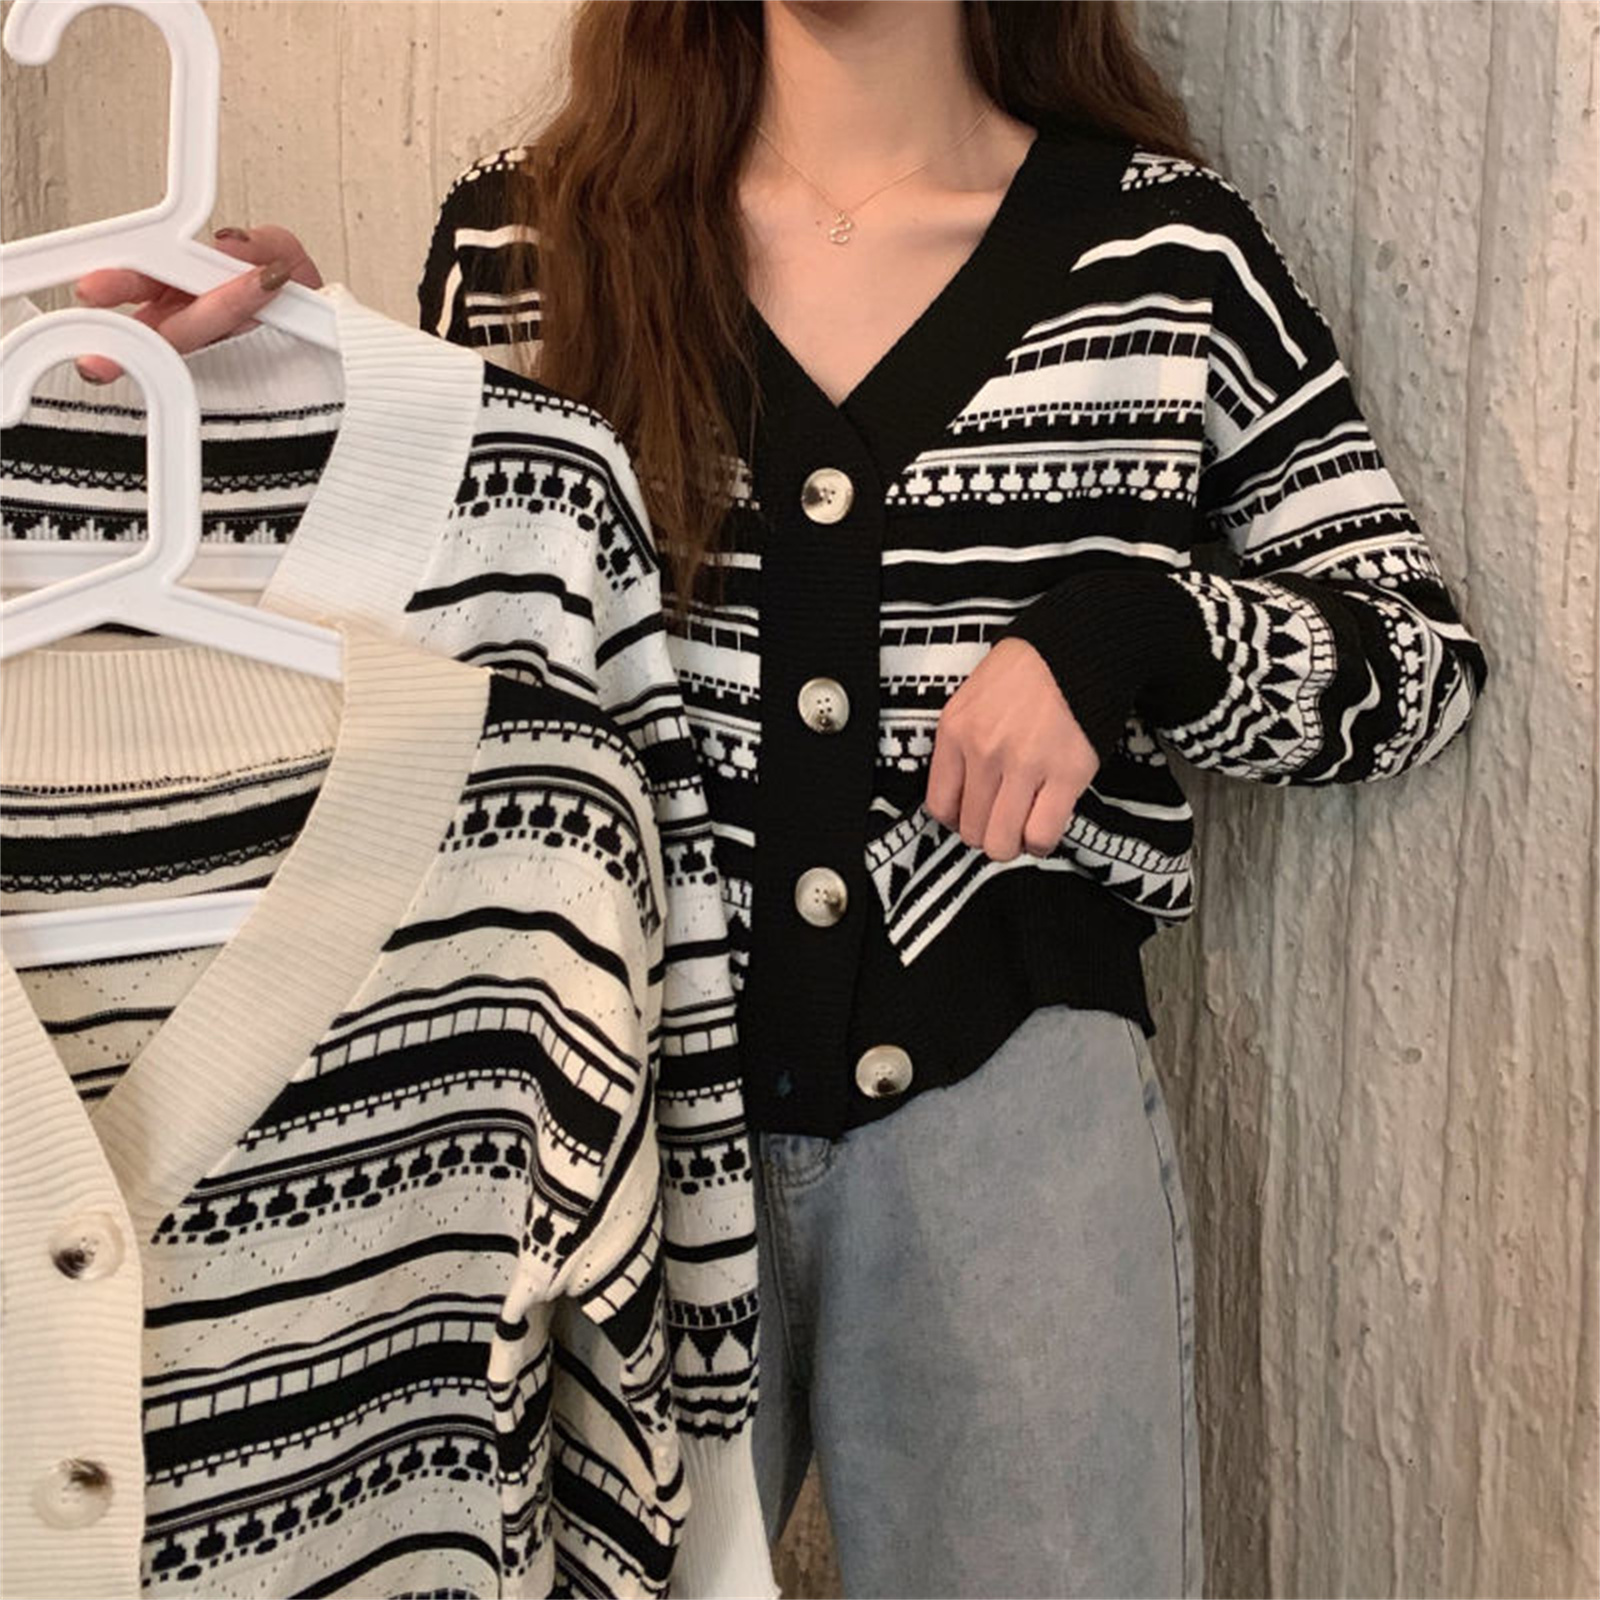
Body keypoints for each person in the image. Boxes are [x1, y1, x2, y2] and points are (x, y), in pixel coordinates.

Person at [72, 2, 1489, 1595]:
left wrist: (1130, 631)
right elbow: (473, 654)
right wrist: (314, 393)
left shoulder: (1167, 255)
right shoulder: (527, 242)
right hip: (614, 1126)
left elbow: (1417, 665)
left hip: (1017, 1140)